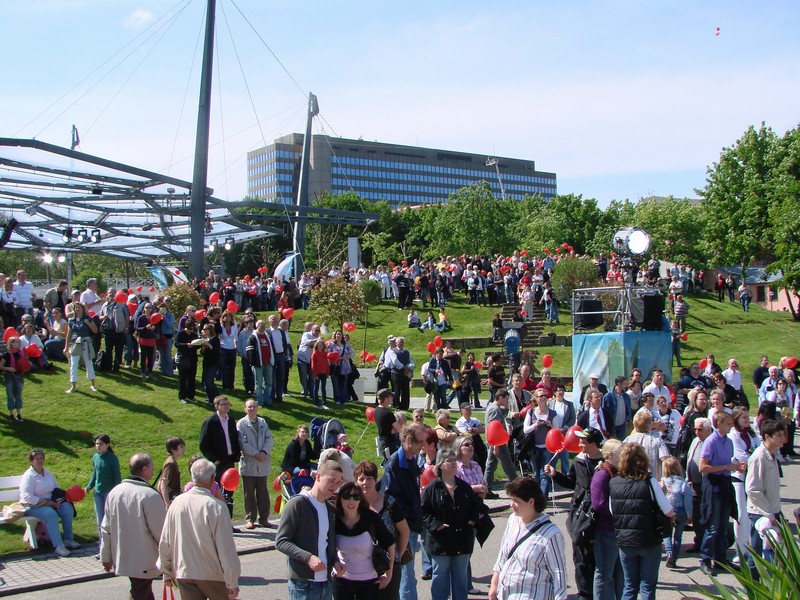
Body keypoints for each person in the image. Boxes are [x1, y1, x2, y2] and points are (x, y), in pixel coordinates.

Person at [158, 458, 241, 600]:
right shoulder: (216, 507)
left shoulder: (177, 503)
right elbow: (226, 548)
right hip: (211, 573)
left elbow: (166, 540)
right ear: (212, 478)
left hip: (184, 571)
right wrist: (232, 580)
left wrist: (166, 570)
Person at [544, 427, 604, 600]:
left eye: (583, 442)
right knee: (581, 558)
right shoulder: (579, 461)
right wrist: (555, 475)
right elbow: (572, 483)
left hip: (600, 517)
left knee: (599, 559)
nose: (580, 444)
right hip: (580, 516)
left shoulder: (606, 462)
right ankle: (584, 594)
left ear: (594, 444)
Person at [609, 443, 675, 600]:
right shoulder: (649, 481)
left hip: (625, 541)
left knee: (630, 585)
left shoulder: (614, 482)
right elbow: (668, 510)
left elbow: (612, 510)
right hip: (649, 540)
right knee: (647, 586)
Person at [488, 476, 567, 600]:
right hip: (507, 594)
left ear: (531, 501)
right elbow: (503, 555)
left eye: (516, 501)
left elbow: (559, 574)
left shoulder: (551, 534)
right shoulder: (513, 520)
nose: (511, 505)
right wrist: (494, 584)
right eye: (511, 499)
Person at [100, 453, 166, 600]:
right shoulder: (150, 495)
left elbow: (106, 528)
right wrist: (170, 556)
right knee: (140, 592)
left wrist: (106, 556)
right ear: (144, 469)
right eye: (151, 465)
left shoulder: (115, 492)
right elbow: (162, 532)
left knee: (143, 591)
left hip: (123, 555)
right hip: (144, 558)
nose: (153, 468)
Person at [276, 459, 345, 599]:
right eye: (331, 480)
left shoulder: (329, 509)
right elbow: (281, 541)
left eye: (338, 482)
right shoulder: (297, 504)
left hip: (326, 582)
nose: (335, 486)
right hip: (303, 584)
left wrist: (335, 561)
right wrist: (308, 558)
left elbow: (327, 543)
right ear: (318, 476)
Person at [421, 448, 481, 600]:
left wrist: (472, 520)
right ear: (440, 465)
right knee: (440, 576)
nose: (453, 463)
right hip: (441, 542)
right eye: (449, 460)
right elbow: (423, 513)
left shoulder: (464, 487)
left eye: (454, 460)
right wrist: (436, 525)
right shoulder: (431, 489)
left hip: (462, 540)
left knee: (460, 577)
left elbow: (477, 506)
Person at [381, 423, 427, 600]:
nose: (423, 445)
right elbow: (391, 499)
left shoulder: (411, 460)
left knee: (409, 575)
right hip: (402, 527)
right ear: (408, 439)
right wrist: (408, 518)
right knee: (406, 577)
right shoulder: (394, 464)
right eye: (420, 442)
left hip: (412, 524)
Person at [699, 411, 746, 575]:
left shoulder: (729, 441)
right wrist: (725, 467)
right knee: (713, 526)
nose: (730, 425)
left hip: (725, 484)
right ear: (718, 424)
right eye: (727, 423)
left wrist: (736, 466)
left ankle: (720, 559)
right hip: (714, 486)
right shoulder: (711, 441)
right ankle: (705, 559)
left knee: (723, 526)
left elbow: (728, 462)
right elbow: (703, 467)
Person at [355, 460, 411, 600]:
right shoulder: (352, 504)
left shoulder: (389, 502)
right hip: (360, 566)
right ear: (356, 481)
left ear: (375, 480)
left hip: (388, 565)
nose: (365, 482)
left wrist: (396, 558)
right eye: (361, 479)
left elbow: (405, 532)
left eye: (369, 478)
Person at [332, 481, 395, 598]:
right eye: (347, 496)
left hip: (368, 581)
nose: (351, 501)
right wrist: (334, 563)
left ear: (361, 499)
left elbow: (390, 543)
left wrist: (388, 574)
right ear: (340, 499)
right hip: (341, 580)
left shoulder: (371, 517)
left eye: (356, 497)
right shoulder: (334, 519)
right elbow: (327, 546)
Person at [19, 448, 81, 557]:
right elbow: (26, 497)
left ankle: (68, 539)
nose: (40, 461)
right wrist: (47, 503)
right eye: (37, 459)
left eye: (41, 458)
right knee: (50, 514)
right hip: (33, 506)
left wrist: (57, 500)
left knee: (67, 508)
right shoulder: (29, 476)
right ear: (31, 461)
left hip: (51, 502)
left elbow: (56, 488)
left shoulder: (47, 473)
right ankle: (58, 546)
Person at [745, 418, 787, 576]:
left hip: (773, 511)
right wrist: (769, 514)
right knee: (756, 554)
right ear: (767, 436)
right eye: (779, 435)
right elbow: (752, 489)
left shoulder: (773, 454)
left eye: (782, 434)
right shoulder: (759, 457)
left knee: (778, 550)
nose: (782, 438)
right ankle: (751, 586)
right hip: (760, 513)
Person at [589, 438, 624, 600]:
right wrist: (619, 513)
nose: (623, 456)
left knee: (619, 572)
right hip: (605, 531)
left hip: (616, 530)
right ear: (609, 455)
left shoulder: (616, 472)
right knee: (604, 573)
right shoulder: (602, 474)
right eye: (620, 453)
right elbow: (598, 504)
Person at [199, 395, 241, 519]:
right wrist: (214, 460)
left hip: (229, 461)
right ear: (216, 406)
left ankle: (228, 520)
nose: (226, 406)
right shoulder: (210, 422)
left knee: (229, 492)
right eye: (223, 404)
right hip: (218, 463)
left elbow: (235, 440)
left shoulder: (231, 421)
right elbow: (203, 444)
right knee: (216, 491)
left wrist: (236, 455)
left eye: (227, 404)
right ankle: (216, 519)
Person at [237, 399, 274, 529]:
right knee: (249, 493)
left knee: (263, 492)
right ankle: (250, 518)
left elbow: (269, 439)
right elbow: (242, 443)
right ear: (245, 409)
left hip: (262, 463)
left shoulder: (263, 422)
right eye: (249, 407)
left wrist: (264, 452)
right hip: (249, 463)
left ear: (257, 408)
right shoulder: (241, 423)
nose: (252, 409)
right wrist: (256, 454)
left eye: (254, 406)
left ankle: (264, 518)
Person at [85, 434, 121, 543]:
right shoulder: (95, 457)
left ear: (107, 445)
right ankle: (102, 544)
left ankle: (113, 542)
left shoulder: (112, 458)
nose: (98, 446)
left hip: (109, 493)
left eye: (101, 444)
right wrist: (89, 486)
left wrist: (115, 492)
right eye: (96, 444)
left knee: (109, 519)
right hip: (98, 492)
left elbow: (117, 477)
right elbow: (95, 474)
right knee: (100, 519)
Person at [522, 390, 557, 499]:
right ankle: (535, 497)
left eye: (545, 396)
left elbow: (557, 431)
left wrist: (550, 425)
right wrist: (534, 425)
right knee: (536, 474)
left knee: (545, 473)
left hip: (548, 448)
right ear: (536, 398)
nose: (543, 398)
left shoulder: (552, 413)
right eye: (541, 396)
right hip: (534, 447)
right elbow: (525, 430)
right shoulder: (531, 412)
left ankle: (543, 498)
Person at [660, 456, 693, 569]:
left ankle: (669, 553)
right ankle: (674, 558)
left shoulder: (662, 482)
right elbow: (688, 501)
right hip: (680, 510)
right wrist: (689, 515)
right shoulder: (683, 483)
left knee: (667, 534)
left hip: (667, 511)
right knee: (678, 536)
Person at [484, 389, 517, 498]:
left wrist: (507, 407)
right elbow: (494, 428)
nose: (508, 401)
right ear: (501, 397)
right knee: (509, 466)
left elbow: (504, 413)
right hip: (497, 442)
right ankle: (517, 488)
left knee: (491, 466)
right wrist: (496, 445)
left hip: (495, 442)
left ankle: (486, 489)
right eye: (506, 399)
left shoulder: (493, 407)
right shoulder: (494, 410)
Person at [686, 417, 712, 552]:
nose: (697, 432)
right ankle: (698, 541)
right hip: (694, 485)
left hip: (706, 485)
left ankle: (707, 545)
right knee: (696, 516)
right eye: (695, 429)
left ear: (708, 430)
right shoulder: (695, 441)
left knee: (706, 516)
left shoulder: (711, 442)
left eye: (700, 429)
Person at [64, 302, 99, 394]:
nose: (77, 309)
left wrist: (89, 324)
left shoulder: (87, 318)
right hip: (75, 343)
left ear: (83, 309)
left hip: (85, 342)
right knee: (73, 364)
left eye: (79, 307)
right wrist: (66, 347)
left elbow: (95, 330)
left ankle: (93, 384)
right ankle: (73, 386)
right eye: (75, 308)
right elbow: (69, 334)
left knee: (88, 363)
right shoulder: (72, 320)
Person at [624, 411, 670, 480]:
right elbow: (665, 459)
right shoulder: (657, 440)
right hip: (653, 480)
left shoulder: (628, 440)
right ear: (649, 426)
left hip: (633, 479)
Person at [247, 319, 275, 407]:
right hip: (258, 364)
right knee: (258, 384)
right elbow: (250, 351)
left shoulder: (268, 336)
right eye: (261, 326)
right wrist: (253, 362)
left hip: (268, 363)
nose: (263, 327)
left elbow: (272, 348)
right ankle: (260, 400)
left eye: (264, 326)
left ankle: (268, 399)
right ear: (257, 326)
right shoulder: (252, 337)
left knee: (269, 383)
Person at [0, 336, 27, 421]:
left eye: (19, 342)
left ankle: (19, 413)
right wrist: (8, 368)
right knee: (10, 395)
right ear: (11, 343)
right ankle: (11, 413)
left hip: (19, 375)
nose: (19, 344)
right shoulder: (7, 354)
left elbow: (25, 363)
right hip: (9, 376)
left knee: (18, 395)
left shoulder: (21, 353)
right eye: (17, 342)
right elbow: (1, 366)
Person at [174, 320, 199, 403]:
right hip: (183, 358)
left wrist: (199, 343)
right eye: (189, 329)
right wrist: (186, 345)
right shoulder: (180, 334)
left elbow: (197, 346)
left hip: (192, 358)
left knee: (192, 378)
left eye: (192, 329)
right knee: (183, 378)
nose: (191, 331)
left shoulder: (194, 335)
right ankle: (182, 397)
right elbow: (176, 344)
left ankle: (191, 396)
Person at [158, 436, 185, 508]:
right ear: (172, 449)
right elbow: (163, 484)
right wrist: (167, 504)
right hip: (171, 499)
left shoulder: (172, 461)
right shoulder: (171, 463)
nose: (183, 449)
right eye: (181, 447)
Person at [603, 376, 632, 440]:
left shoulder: (626, 396)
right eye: (624, 384)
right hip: (612, 426)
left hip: (622, 425)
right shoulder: (608, 397)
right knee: (613, 443)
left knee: (622, 442)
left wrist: (628, 418)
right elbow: (604, 411)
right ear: (619, 384)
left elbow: (628, 408)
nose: (626, 385)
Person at [375, 389, 400, 460]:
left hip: (383, 442)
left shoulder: (376, 410)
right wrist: (394, 430)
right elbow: (399, 429)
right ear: (386, 398)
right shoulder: (387, 413)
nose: (392, 398)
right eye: (391, 396)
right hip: (390, 444)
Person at [135, 303, 158, 381]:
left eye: (150, 308)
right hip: (143, 340)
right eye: (146, 307)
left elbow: (157, 329)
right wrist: (145, 328)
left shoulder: (154, 317)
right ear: (144, 308)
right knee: (143, 357)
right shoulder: (141, 318)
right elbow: (137, 328)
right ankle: (143, 372)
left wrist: (154, 328)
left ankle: (150, 372)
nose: (148, 309)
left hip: (151, 340)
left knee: (151, 357)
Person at [311, 339, 331, 409]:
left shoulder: (324, 353)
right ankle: (316, 403)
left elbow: (327, 363)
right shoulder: (315, 353)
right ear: (316, 346)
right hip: (317, 373)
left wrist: (327, 372)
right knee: (316, 388)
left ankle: (324, 403)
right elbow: (313, 365)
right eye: (319, 345)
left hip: (324, 373)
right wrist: (315, 374)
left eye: (321, 345)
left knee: (323, 388)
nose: (320, 346)